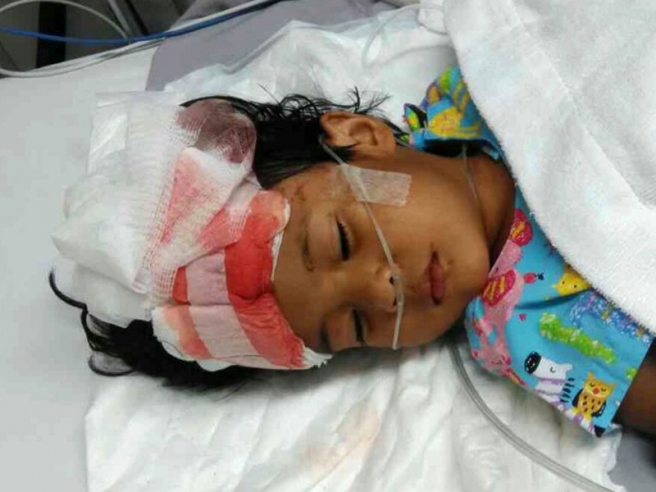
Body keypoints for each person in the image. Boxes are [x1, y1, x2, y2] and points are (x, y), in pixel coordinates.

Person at [52, 67, 656, 438]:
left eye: (341, 241)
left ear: (360, 136)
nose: (381, 291)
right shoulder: (530, 336)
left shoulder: (485, 81)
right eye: (357, 327)